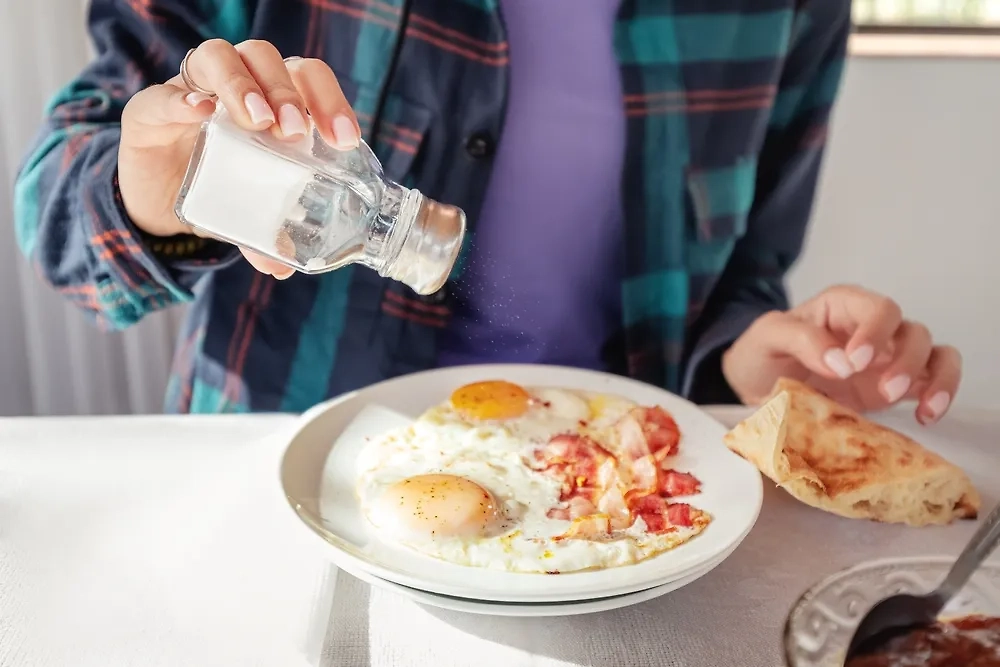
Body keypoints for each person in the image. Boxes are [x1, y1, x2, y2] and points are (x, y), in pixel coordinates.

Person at [13, 0, 959, 423]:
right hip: (282, 491)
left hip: (610, 502)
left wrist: (753, 359)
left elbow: (747, 275)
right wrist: (154, 187)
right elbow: (55, 215)